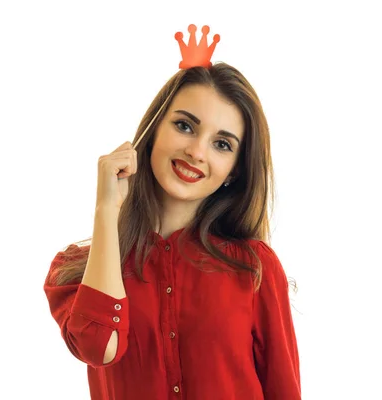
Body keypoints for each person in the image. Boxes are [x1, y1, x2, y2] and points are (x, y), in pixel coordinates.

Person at [43, 25, 301, 399]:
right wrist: (105, 210)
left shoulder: (255, 269)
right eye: (184, 126)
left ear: (236, 171)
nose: (197, 151)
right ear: (153, 133)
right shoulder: (76, 271)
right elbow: (99, 346)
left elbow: (284, 391)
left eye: (222, 144)